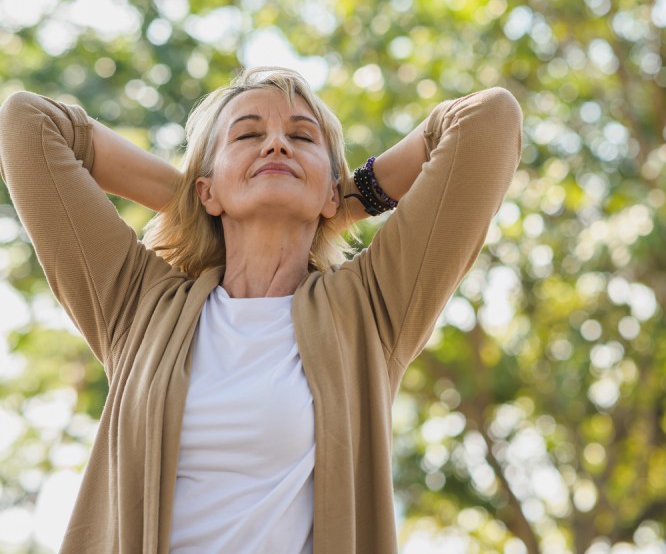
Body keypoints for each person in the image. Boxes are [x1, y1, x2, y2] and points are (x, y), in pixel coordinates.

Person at [0, 65, 523, 554]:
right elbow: (29, 125)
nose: (276, 142)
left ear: (331, 191)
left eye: (301, 137)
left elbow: (487, 121)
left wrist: (345, 200)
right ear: (206, 189)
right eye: (247, 135)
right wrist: (195, 199)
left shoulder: (370, 306)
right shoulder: (138, 304)